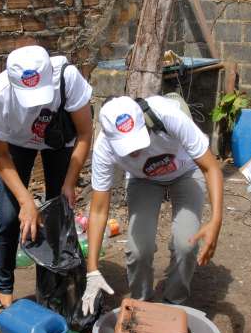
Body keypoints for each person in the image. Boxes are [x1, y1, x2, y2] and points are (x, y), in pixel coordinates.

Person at [80, 95, 224, 315]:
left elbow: (211, 167)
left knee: (186, 244)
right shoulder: (103, 147)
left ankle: (174, 304)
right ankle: (142, 305)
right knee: (138, 250)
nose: (135, 153)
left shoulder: (167, 116)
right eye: (126, 148)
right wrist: (92, 270)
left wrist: (216, 220)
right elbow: (99, 210)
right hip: (144, 179)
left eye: (137, 142)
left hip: (186, 171)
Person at [0, 45, 93, 312]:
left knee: (58, 212)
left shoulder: (68, 77)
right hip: (16, 145)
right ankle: (4, 291)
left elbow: (85, 133)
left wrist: (69, 182)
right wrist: (26, 200)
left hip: (58, 140)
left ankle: (57, 287)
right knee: (8, 218)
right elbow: (1, 156)